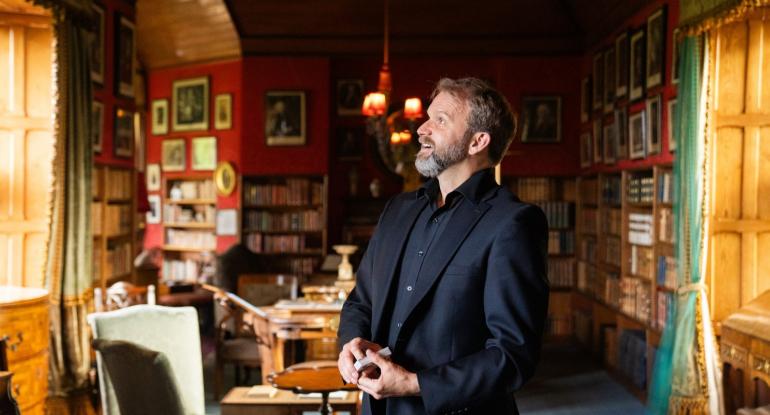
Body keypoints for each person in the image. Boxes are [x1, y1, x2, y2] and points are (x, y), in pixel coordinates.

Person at [337, 77, 549, 415]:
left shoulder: (513, 223)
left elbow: (513, 355)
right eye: (427, 117)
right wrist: (351, 341)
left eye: (440, 120)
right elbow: (361, 301)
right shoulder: (396, 211)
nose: (422, 128)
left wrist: (415, 384)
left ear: (478, 141)